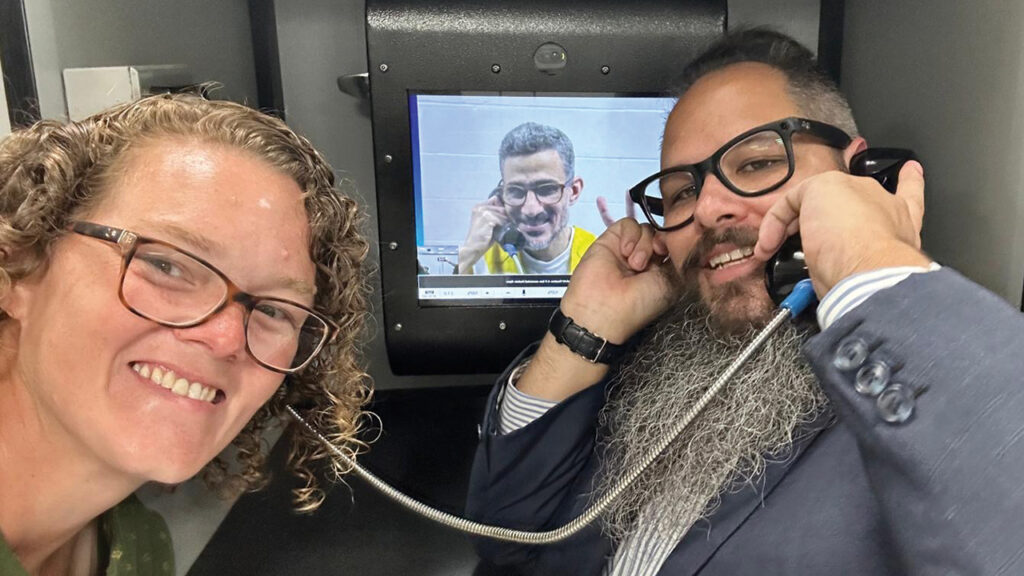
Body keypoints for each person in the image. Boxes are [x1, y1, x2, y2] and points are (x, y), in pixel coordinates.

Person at [466, 29, 1024, 575]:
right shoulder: (651, 366)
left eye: (756, 163)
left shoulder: (922, 381)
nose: (708, 209)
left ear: (859, 172)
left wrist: (869, 265)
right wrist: (580, 332)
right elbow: (504, 538)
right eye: (681, 191)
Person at [0, 93, 371, 575]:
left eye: (276, 311)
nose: (225, 337)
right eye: (165, 265)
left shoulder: (136, 547)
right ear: (18, 263)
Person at [457, 122, 596, 274]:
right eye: (516, 191)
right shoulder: (481, 260)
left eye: (547, 189)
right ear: (501, 195)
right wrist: (467, 255)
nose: (531, 210)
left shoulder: (600, 256)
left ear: (574, 191)